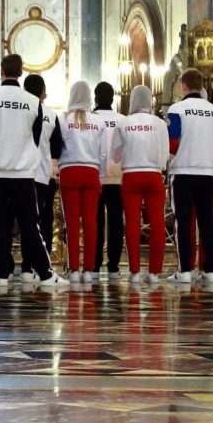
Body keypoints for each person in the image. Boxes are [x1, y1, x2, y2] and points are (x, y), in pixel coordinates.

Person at [0, 54, 62, 288]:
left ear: (1, 71)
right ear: (21, 72)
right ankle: (44, 274)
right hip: (23, 172)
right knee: (30, 224)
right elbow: (34, 139)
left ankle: (2, 273)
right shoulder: (34, 102)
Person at [164, 68, 213, 287]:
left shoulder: (177, 109)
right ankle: (210, 271)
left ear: (183, 86)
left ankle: (185, 270)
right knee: (207, 221)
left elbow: (172, 143)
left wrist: (167, 162)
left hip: (183, 172)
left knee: (184, 222)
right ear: (202, 86)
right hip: (208, 173)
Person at [113, 83, 169, 284]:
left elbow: (116, 155)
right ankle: (154, 272)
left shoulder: (123, 123)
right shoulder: (160, 123)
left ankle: (135, 271)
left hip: (131, 175)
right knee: (158, 223)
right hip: (154, 175)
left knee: (132, 223)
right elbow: (165, 153)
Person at [57, 81, 110, 283]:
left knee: (71, 223)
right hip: (91, 172)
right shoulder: (98, 121)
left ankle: (74, 269)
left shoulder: (63, 119)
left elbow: (58, 148)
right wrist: (101, 174)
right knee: (90, 222)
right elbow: (103, 153)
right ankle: (88, 269)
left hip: (69, 171)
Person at [23, 73, 62, 268]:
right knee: (43, 219)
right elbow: (56, 148)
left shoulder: (20, 109)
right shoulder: (52, 115)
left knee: (23, 220)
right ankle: (42, 261)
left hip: (21, 171)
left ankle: (25, 267)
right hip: (43, 174)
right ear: (44, 92)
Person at [91, 82, 125, 279]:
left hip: (96, 178)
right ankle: (113, 266)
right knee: (116, 223)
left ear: (95, 98)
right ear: (113, 98)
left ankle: (94, 266)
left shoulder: (90, 119)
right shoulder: (122, 120)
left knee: (95, 222)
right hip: (118, 178)